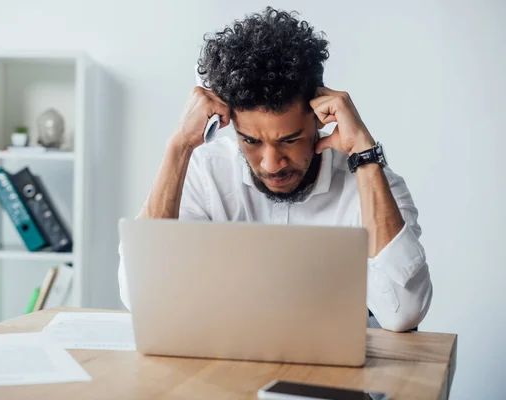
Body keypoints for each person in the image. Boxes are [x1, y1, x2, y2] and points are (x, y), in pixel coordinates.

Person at [118, 7, 432, 332]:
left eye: (290, 139)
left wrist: (364, 156)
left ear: (319, 117)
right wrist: (178, 147)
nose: (271, 164)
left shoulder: (373, 182)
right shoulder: (206, 173)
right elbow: (141, 296)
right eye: (250, 140)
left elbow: (404, 313)